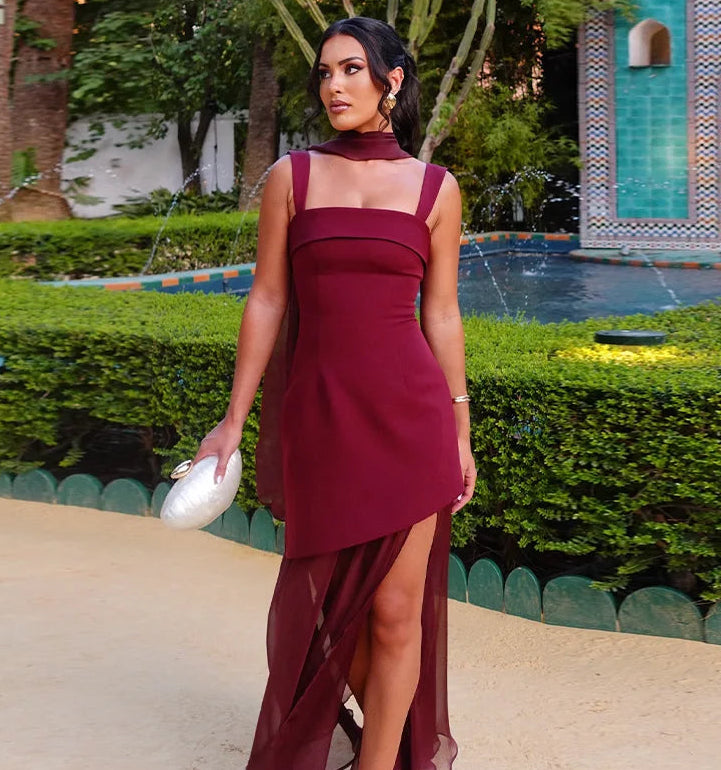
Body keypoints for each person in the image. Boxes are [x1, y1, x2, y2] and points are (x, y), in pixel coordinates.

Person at [194, 15, 476, 770]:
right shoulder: (294, 176)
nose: (333, 86)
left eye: (351, 69)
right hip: (320, 421)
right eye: (324, 73)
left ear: (392, 81)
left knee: (393, 617)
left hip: (410, 420)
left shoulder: (435, 189)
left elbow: (441, 314)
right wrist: (232, 419)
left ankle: (380, 763)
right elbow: (266, 300)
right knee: (310, 616)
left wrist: (459, 429)